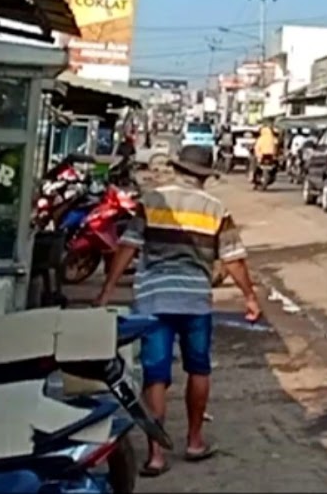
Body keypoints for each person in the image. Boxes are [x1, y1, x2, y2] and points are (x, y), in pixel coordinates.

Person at [96, 144, 262, 477]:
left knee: (156, 374)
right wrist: (249, 296)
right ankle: (195, 440)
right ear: (204, 175)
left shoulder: (152, 201)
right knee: (199, 369)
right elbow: (232, 260)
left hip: (154, 299)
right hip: (195, 300)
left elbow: (129, 246)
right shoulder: (216, 208)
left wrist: (107, 290)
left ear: (177, 168)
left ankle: (156, 454)